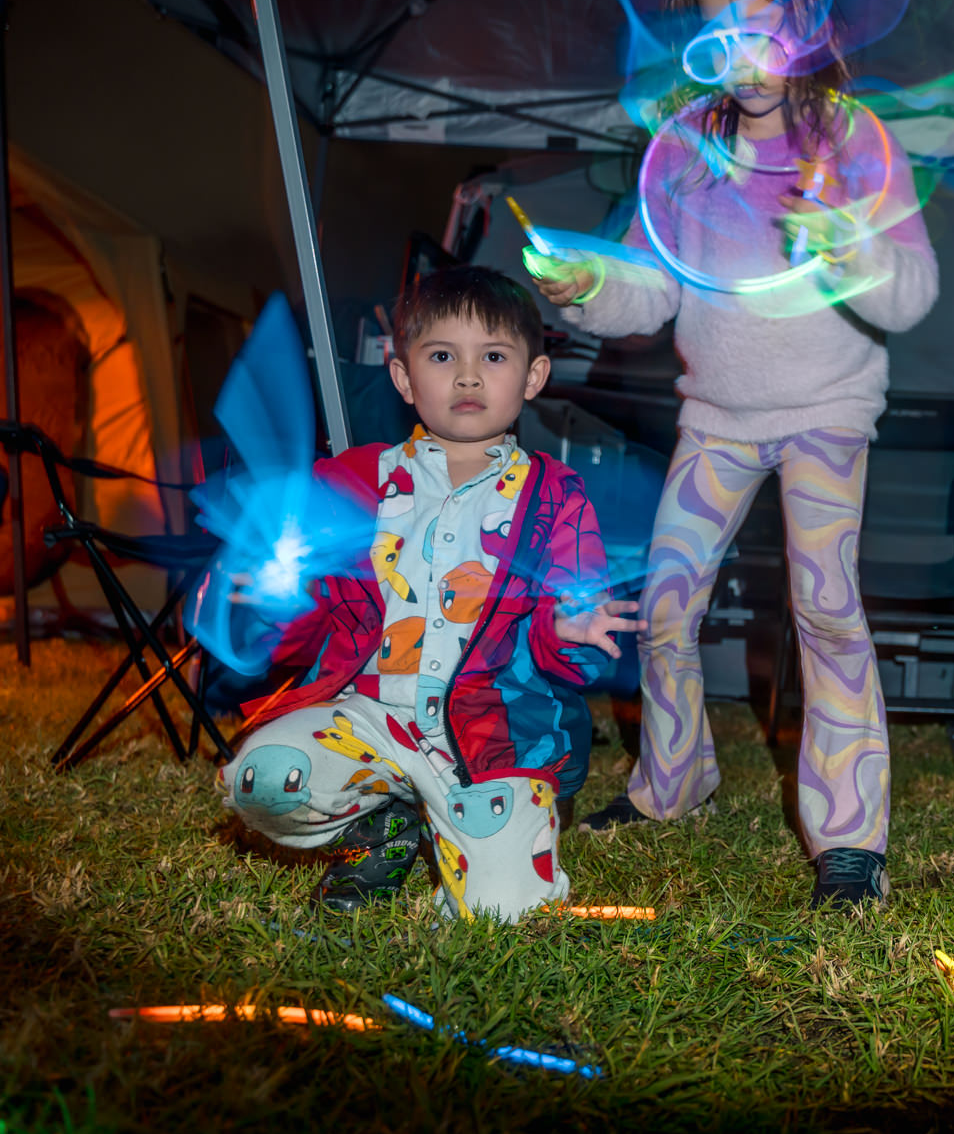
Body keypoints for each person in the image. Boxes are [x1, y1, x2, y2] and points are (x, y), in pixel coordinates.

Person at [531, 0, 938, 909]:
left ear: (803, 23)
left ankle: (850, 844)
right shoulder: (683, 150)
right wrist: (588, 286)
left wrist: (849, 247)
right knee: (665, 607)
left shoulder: (855, 140)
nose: (741, 60)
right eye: (718, 42)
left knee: (825, 609)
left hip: (828, 413)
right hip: (716, 419)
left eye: (759, 33)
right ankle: (674, 785)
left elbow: (912, 294)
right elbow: (651, 288)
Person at [219, 267, 643, 921]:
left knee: (501, 915)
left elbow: (570, 633)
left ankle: (466, 826)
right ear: (404, 376)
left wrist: (567, 633)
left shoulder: (556, 497)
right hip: (367, 715)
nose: (468, 377)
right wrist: (278, 603)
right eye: (443, 356)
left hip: (487, 734)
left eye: (493, 357)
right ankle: (377, 827)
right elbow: (311, 615)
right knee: (265, 776)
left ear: (533, 376)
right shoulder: (353, 481)